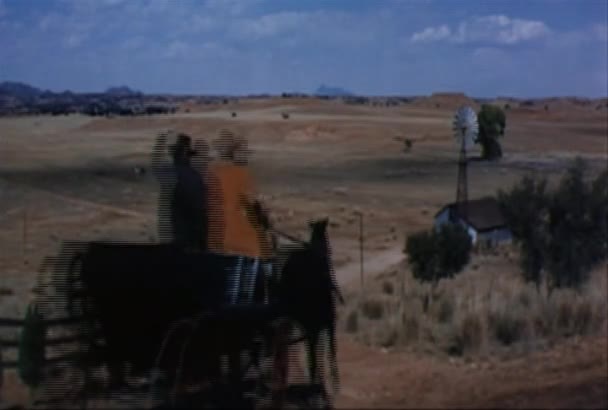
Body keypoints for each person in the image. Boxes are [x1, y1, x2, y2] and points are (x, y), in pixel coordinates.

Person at [207, 129, 272, 305]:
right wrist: (265, 220)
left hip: (213, 238)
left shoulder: (211, 174)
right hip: (237, 238)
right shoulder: (241, 175)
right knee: (261, 261)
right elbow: (255, 205)